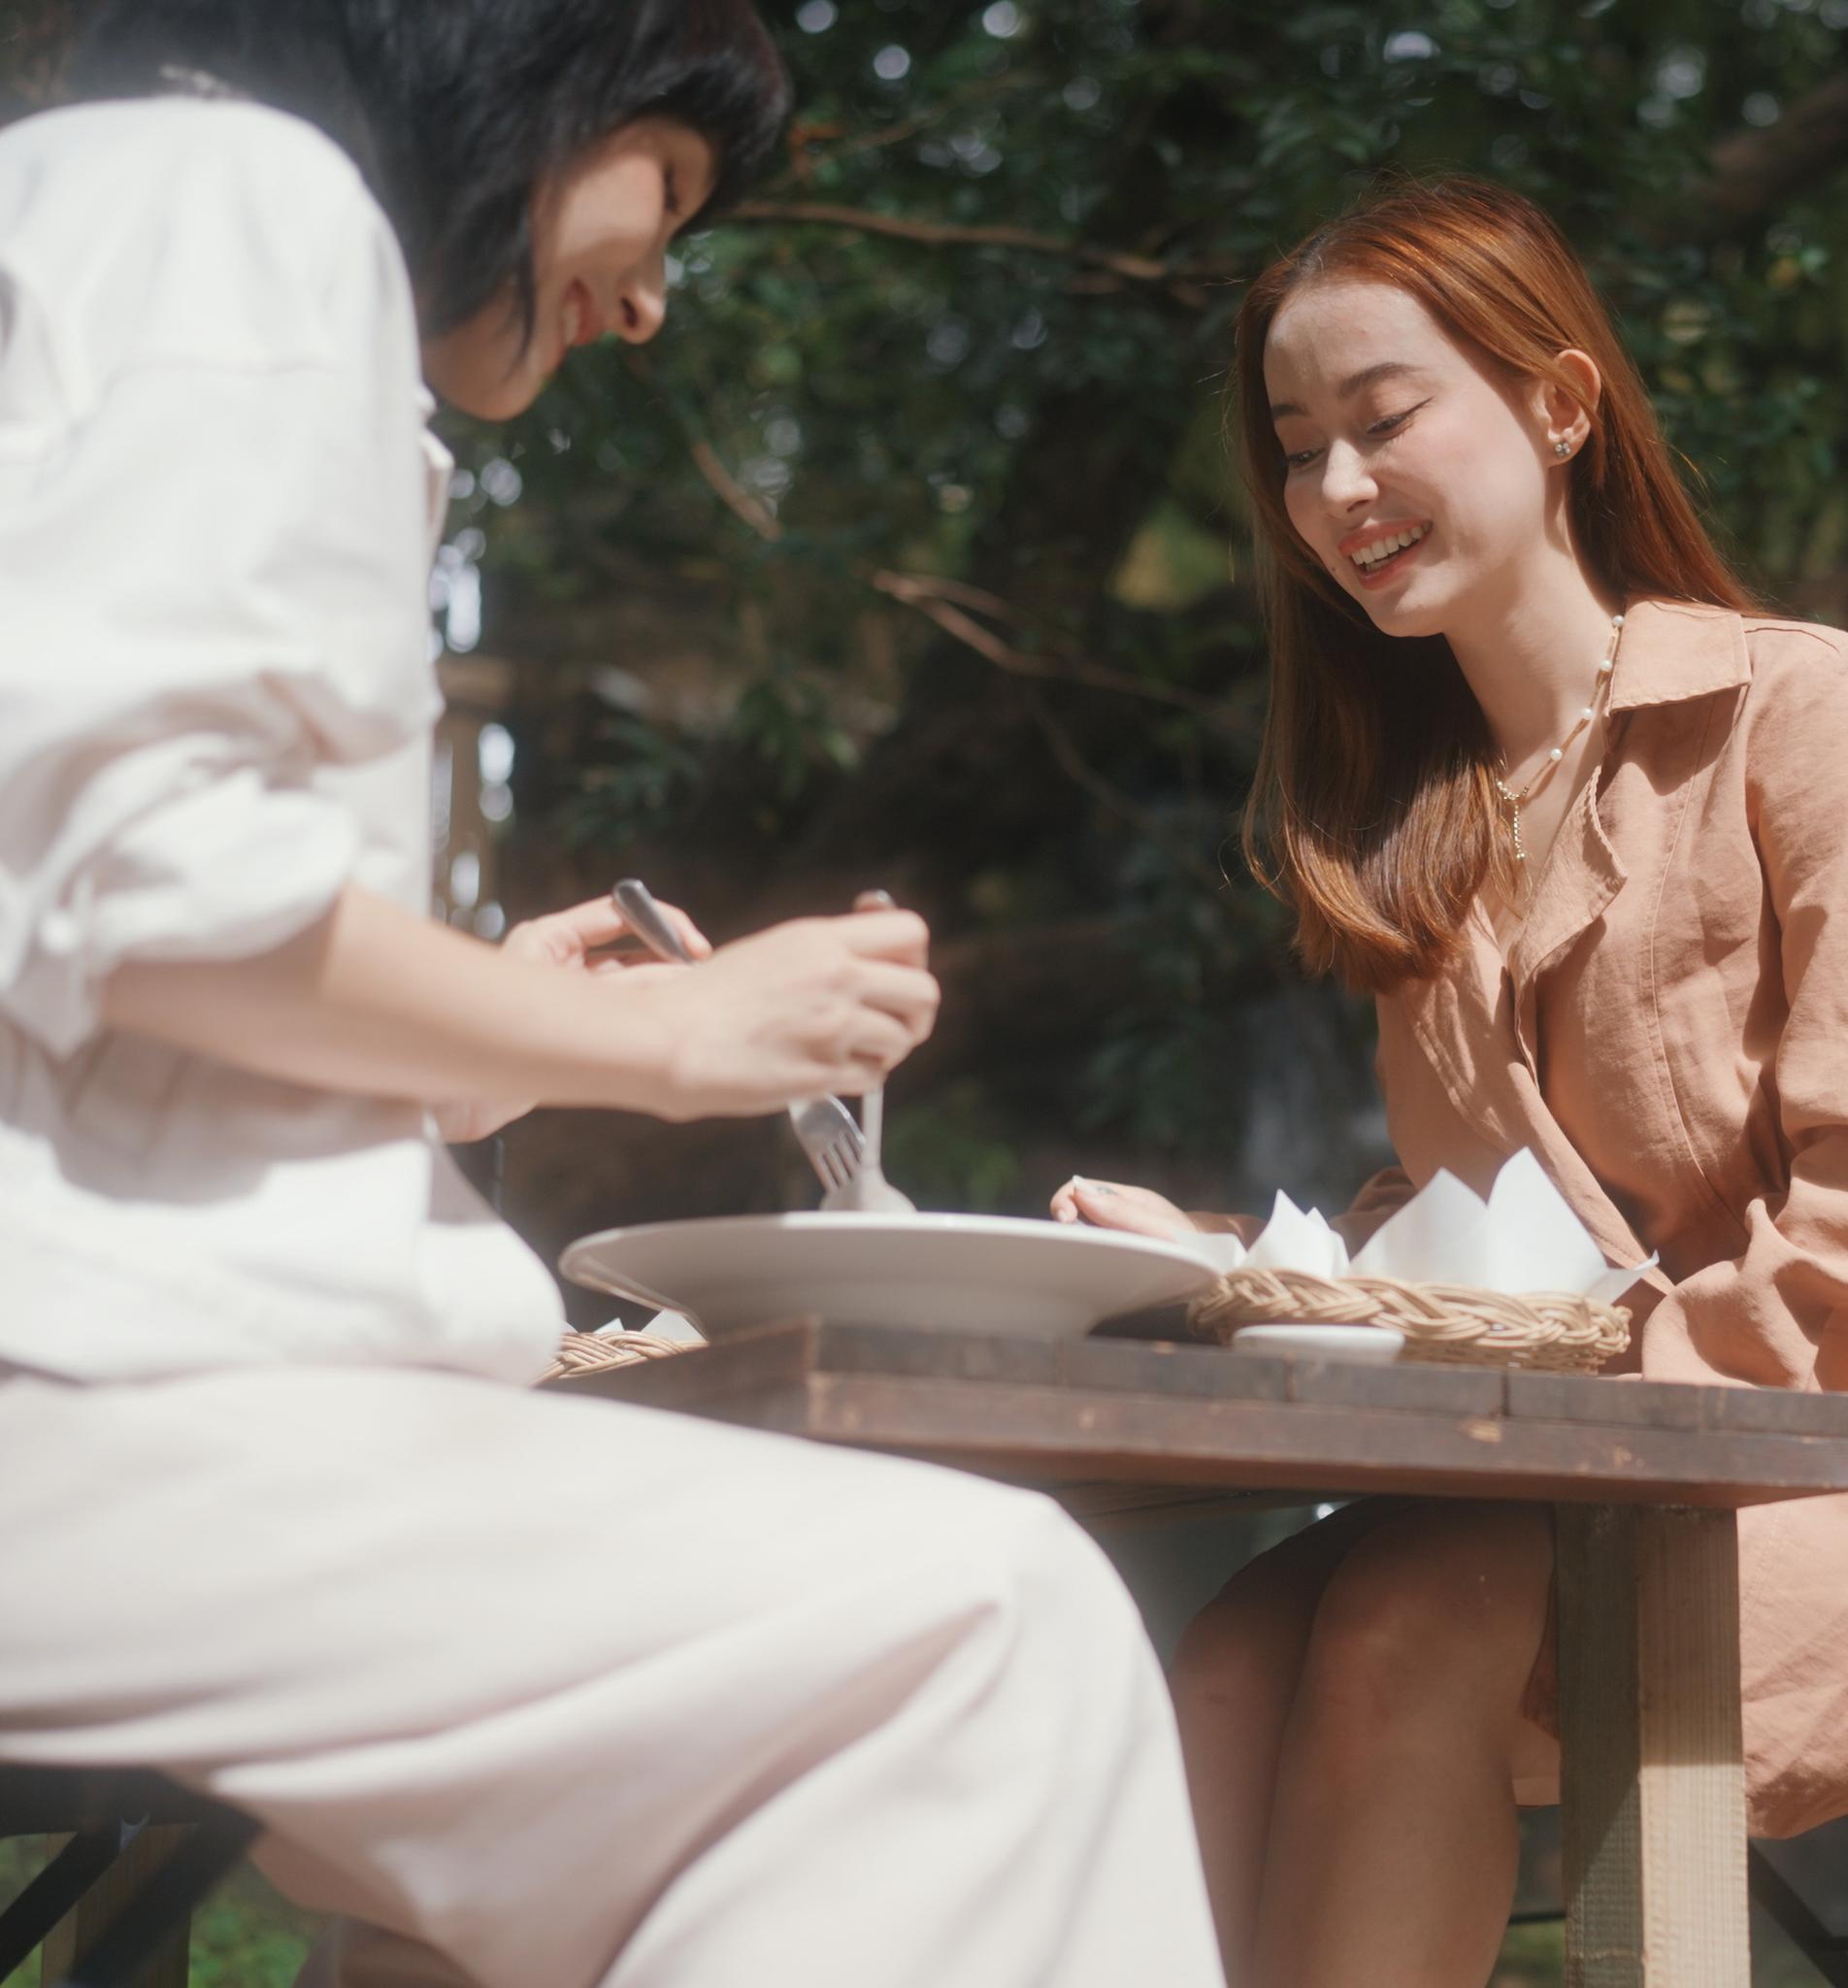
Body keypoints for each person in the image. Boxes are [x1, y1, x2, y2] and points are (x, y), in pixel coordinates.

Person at [0, 6, 1220, 1985]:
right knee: (987, 1631)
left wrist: (452, 1048)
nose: (652, 300)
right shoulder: (240, 201)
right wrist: (675, 1033)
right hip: (75, 1422)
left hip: (96, 1391)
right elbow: (149, 889)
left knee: (599, 1838)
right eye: (666, 190)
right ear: (509, 69)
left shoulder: (114, 205)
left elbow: (80, 944)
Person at [1055, 176, 1848, 1987]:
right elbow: (1474, 1234)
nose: (1337, 494)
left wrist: (1588, 1412)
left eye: (1385, 420)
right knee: (1223, 1654)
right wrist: (1233, 1266)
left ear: (1560, 404)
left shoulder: (1807, 709)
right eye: (1300, 451)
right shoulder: (1420, 835)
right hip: (1578, 1468)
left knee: (1409, 1610)